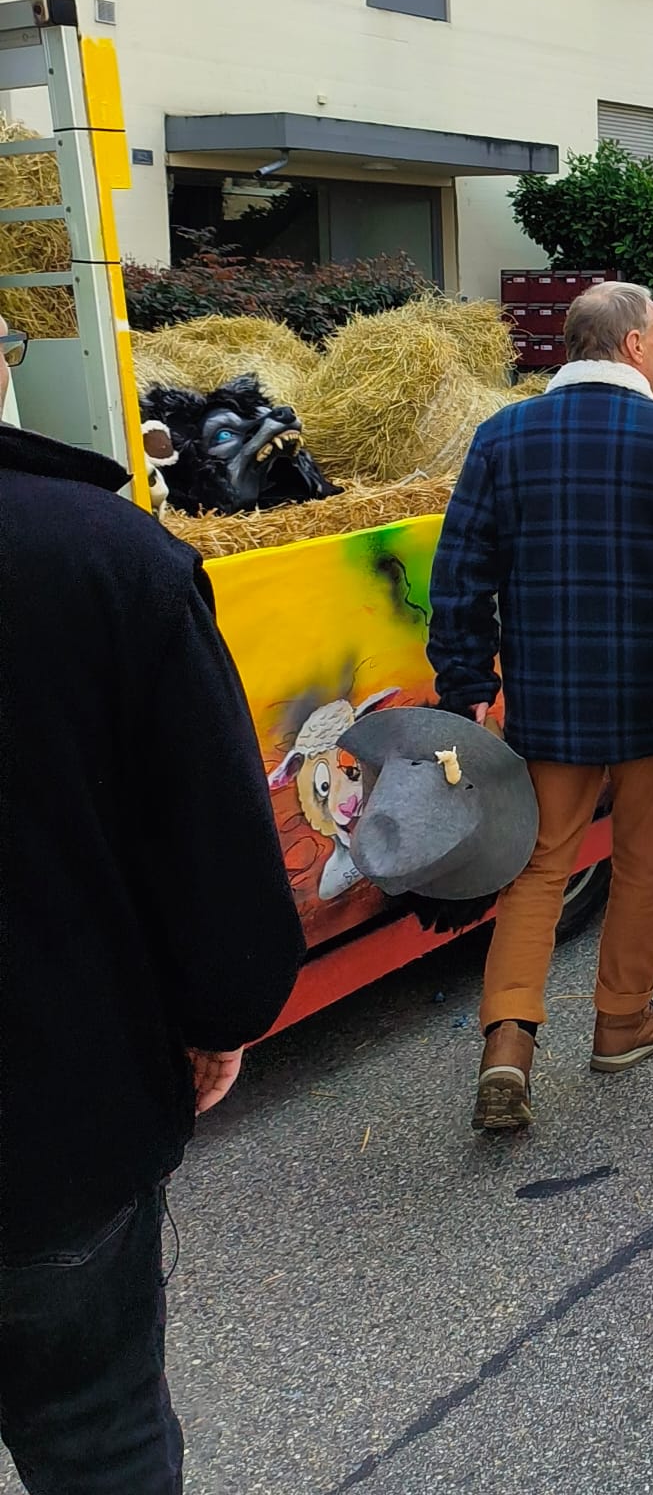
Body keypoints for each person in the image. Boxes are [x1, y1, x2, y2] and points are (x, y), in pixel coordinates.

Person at [0, 410, 304, 1491]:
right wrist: (218, 1013)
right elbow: (211, 840)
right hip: (51, 1132)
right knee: (100, 1439)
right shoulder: (106, 554)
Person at [430, 281, 653, 1132]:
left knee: (539, 867)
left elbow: (460, 575)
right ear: (634, 345)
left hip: (547, 698)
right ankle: (622, 1023)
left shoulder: (500, 438)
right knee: (645, 861)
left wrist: (467, 685)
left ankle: (508, 1045)